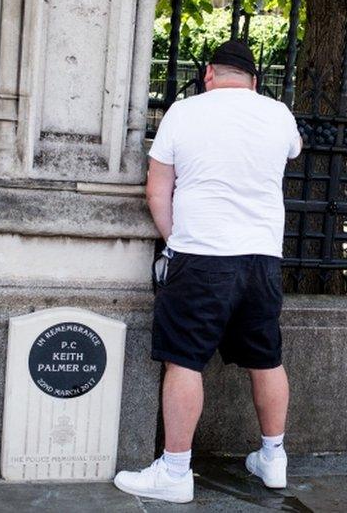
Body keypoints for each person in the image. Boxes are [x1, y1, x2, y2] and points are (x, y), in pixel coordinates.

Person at [112, 40, 302, 504]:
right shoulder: (279, 114)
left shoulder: (185, 111)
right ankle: (273, 457)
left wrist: (176, 239)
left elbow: (157, 189)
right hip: (261, 258)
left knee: (184, 358)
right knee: (266, 358)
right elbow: (291, 153)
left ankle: (176, 471)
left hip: (200, 255)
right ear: (254, 81)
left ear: (209, 75)